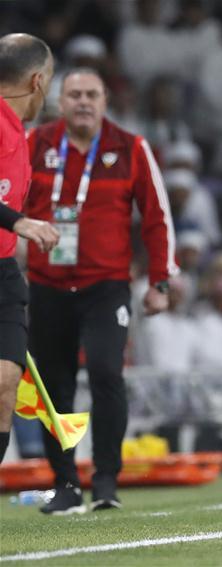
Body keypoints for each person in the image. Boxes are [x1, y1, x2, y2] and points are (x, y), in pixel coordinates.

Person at [25, 67, 178, 514]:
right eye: (74, 94)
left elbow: (156, 216)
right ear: (60, 100)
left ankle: (106, 479)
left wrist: (160, 281)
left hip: (105, 286)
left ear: (106, 100)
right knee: (55, 390)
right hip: (46, 284)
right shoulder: (37, 145)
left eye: (92, 94)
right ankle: (66, 483)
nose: (83, 102)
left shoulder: (130, 147)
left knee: (107, 374)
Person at [0, 33, 58, 464]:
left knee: (5, 384)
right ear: (38, 81)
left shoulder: (20, 132)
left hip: (3, 271)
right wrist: (19, 223)